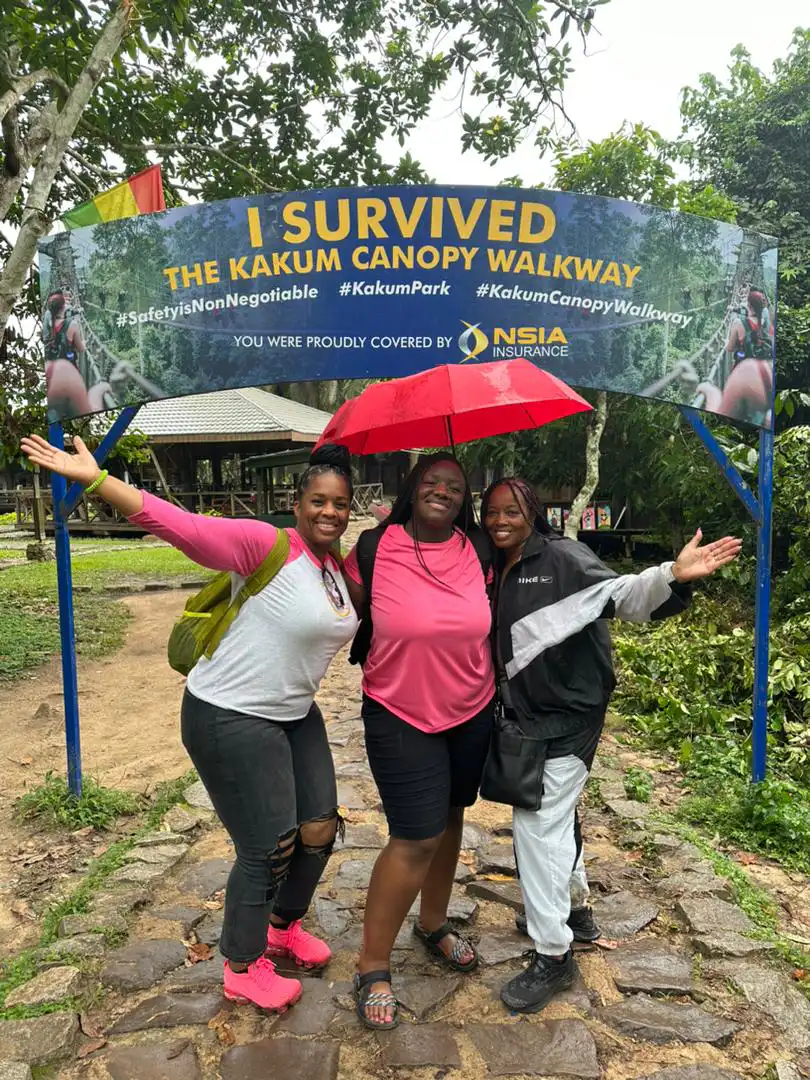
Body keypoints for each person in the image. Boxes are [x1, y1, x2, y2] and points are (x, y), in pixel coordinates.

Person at [19, 434, 358, 1014]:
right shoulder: (264, 544)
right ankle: (243, 966)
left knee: (320, 827)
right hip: (229, 713)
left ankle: (282, 927)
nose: (330, 511)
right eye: (319, 501)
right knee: (269, 845)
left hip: (294, 714)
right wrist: (96, 479)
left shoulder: (335, 568)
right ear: (297, 504)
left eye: (341, 503)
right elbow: (180, 526)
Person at [481, 477, 741, 1014]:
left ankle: (553, 952)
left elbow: (620, 595)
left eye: (512, 511)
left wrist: (671, 574)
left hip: (569, 716)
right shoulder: (492, 564)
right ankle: (575, 909)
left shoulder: (564, 559)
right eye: (491, 512)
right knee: (556, 815)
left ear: (533, 512)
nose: (501, 520)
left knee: (535, 823)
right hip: (527, 715)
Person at [342, 454, 495, 1030]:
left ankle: (432, 923)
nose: (442, 491)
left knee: (451, 817)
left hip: (471, 708)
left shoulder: (476, 549)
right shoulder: (376, 548)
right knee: (414, 837)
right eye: (431, 482)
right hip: (398, 710)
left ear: (464, 499)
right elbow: (340, 613)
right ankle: (372, 964)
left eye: (455, 486)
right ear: (413, 489)